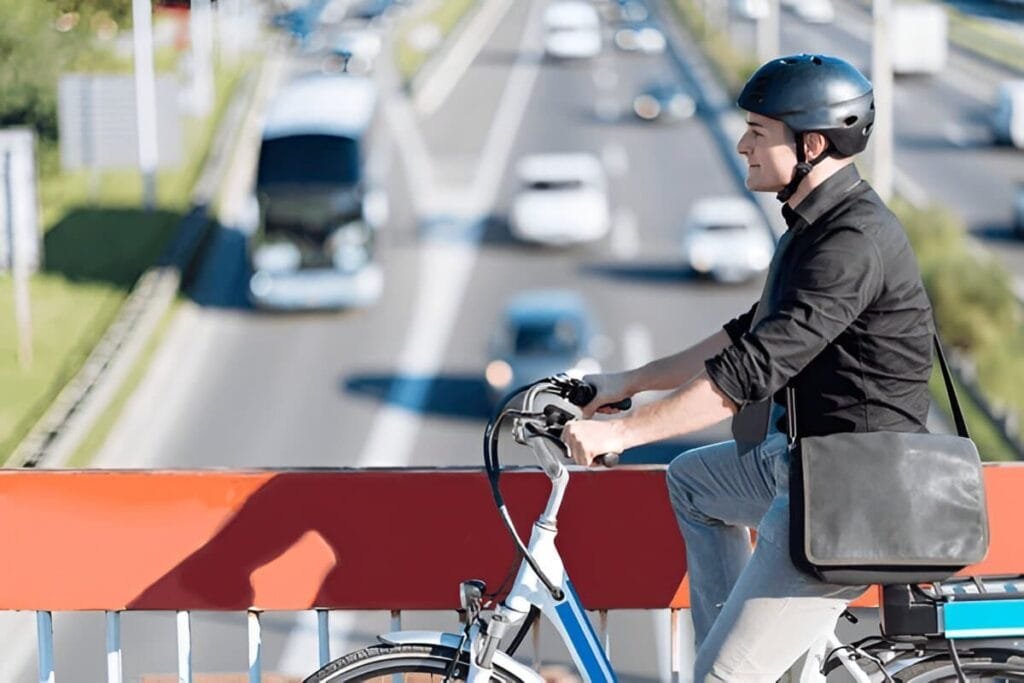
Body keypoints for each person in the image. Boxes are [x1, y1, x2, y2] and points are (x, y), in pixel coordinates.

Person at [561, 54, 935, 681]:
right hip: (806, 465)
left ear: (811, 144)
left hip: (852, 494)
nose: (742, 145)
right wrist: (626, 384)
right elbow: (745, 335)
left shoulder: (851, 243)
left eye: (758, 133)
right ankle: (740, 652)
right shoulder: (814, 228)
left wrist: (622, 432)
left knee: (722, 679)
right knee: (693, 484)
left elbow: (748, 374)